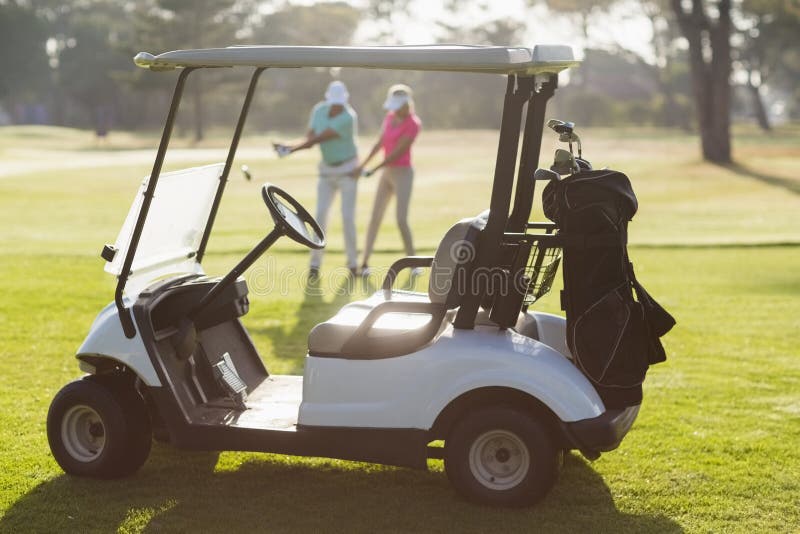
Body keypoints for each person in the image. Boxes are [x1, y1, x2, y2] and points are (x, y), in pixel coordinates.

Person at [273, 81, 360, 278]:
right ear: (328, 99)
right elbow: (309, 138)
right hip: (326, 171)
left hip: (348, 170)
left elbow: (320, 138)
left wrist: (288, 149)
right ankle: (314, 265)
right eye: (334, 102)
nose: (336, 105)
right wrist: (289, 145)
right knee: (319, 216)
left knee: (347, 218)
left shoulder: (348, 117)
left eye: (339, 102)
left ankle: (353, 265)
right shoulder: (319, 111)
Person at [355, 84, 422, 277]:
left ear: (406, 104)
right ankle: (364, 264)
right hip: (387, 174)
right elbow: (380, 143)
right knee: (374, 218)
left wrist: (374, 169)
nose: (393, 108)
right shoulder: (390, 117)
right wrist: (363, 165)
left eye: (397, 105)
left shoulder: (413, 123)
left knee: (401, 219)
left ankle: (414, 264)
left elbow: (397, 152)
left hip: (403, 174)